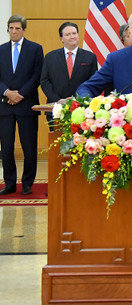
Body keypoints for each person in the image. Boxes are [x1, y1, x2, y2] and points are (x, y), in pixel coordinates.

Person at [0, 15, 44, 195]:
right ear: (7, 29)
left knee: (29, 147)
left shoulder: (35, 49)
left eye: (17, 28)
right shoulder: (1, 50)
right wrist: (6, 92)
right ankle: (9, 183)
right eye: (11, 28)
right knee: (7, 148)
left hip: (27, 105)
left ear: (23, 30)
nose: (14, 31)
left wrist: (19, 95)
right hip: (4, 106)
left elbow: (37, 76)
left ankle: (27, 183)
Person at [40, 22, 98, 126]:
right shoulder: (50, 57)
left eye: (74, 33)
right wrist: (58, 100)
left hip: (82, 109)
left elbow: (93, 82)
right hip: (56, 108)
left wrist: (79, 99)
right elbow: (44, 81)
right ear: (61, 38)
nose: (72, 37)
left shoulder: (90, 57)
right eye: (68, 34)